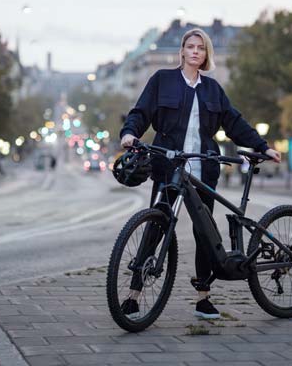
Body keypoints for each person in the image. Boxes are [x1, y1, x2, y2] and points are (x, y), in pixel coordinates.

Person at [119, 28, 281, 320]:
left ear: (206, 55)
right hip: (169, 166)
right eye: (190, 46)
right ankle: (133, 295)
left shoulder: (212, 89)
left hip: (203, 168)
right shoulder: (162, 80)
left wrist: (262, 147)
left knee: (204, 232)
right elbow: (141, 111)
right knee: (155, 227)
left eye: (201, 48)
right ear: (181, 51)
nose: (195, 51)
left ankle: (203, 298)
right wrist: (130, 133)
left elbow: (234, 122)